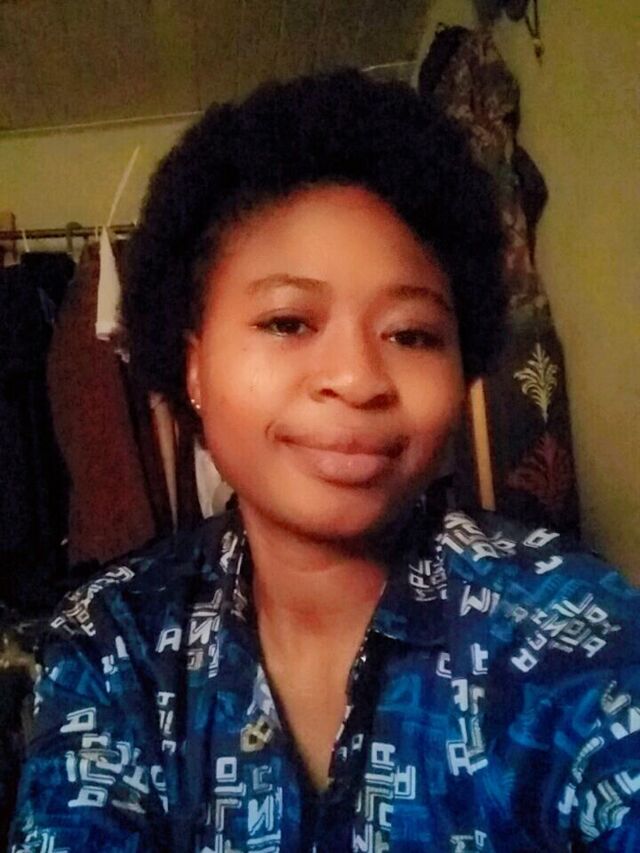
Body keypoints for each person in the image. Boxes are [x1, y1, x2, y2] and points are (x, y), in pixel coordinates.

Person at [9, 70, 640, 852]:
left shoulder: (570, 632)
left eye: (411, 334)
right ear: (194, 363)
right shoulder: (115, 646)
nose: (358, 377)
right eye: (288, 322)